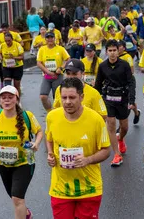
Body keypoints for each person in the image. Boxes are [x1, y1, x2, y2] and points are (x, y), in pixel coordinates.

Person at [46, 78, 110, 219]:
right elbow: (49, 139)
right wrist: (50, 154)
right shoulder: (52, 117)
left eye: (72, 97)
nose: (67, 101)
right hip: (60, 189)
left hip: (89, 189)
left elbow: (106, 150)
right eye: (64, 97)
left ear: (81, 97)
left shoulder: (96, 120)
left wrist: (88, 159)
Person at [0, 85, 43, 219]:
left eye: (10, 98)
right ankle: (26, 214)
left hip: (24, 163)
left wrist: (36, 143)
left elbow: (39, 131)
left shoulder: (27, 116)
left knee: (17, 198)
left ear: (17, 99)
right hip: (3, 164)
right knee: (14, 196)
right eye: (3, 98)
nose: (7, 100)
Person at [95, 40, 136, 167]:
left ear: (118, 51)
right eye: (110, 51)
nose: (112, 53)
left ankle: (121, 139)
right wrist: (95, 100)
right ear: (106, 52)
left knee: (124, 127)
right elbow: (97, 84)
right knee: (111, 125)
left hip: (122, 98)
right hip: (108, 98)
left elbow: (131, 82)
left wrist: (131, 99)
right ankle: (117, 154)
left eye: (114, 50)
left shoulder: (124, 65)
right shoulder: (102, 66)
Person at [37, 32, 70, 112]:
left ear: (54, 38)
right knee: (43, 96)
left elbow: (68, 59)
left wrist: (61, 68)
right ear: (45, 39)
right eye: (48, 38)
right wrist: (47, 71)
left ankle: (59, 113)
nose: (50, 39)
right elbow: (39, 63)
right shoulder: (42, 49)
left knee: (57, 97)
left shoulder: (60, 49)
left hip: (57, 75)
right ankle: (49, 112)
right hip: (47, 75)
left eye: (51, 37)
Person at [118, 40, 141, 124]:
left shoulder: (127, 57)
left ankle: (136, 114)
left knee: (130, 100)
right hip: (119, 82)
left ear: (124, 48)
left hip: (128, 81)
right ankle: (137, 113)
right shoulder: (115, 57)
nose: (118, 48)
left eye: (120, 46)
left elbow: (131, 71)